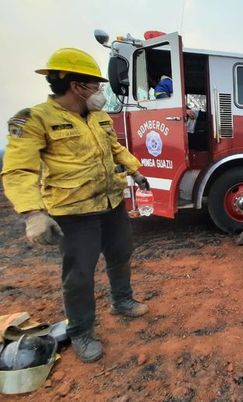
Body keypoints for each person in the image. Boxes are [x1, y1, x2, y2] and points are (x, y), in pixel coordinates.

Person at [1, 48, 150, 363]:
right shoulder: (35, 119)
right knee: (79, 274)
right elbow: (18, 170)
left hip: (110, 202)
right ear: (77, 86)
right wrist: (33, 213)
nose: (99, 91)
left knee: (121, 253)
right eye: (96, 85)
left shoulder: (98, 117)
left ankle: (121, 301)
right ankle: (82, 331)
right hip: (73, 212)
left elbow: (113, 148)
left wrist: (134, 169)